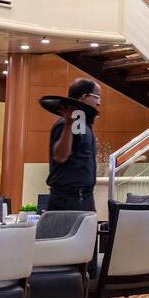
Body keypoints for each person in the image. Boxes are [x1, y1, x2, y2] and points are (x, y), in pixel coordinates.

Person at [47, 78, 103, 212]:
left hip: (85, 197)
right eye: (97, 97)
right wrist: (68, 124)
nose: (99, 103)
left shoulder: (83, 125)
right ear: (84, 97)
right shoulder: (65, 124)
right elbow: (60, 156)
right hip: (67, 200)